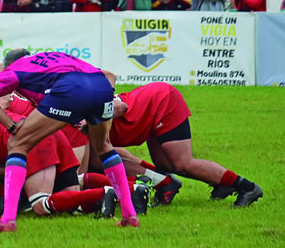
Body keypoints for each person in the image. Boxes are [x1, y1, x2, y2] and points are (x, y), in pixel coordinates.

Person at [0, 49, 139, 231]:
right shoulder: (53, 56)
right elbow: (110, 75)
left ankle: (7, 220)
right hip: (102, 87)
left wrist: (10, 125)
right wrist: (91, 113)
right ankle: (129, 215)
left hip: (68, 90)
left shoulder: (15, 69)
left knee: (17, 143)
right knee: (104, 146)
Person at [0, 114, 125, 220]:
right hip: (50, 133)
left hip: (34, 141)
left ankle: (103, 193)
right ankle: (132, 188)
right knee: (70, 204)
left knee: (39, 204)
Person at [110, 83, 263, 207]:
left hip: (163, 102)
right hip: (149, 110)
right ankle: (219, 182)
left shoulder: (89, 111)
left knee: (182, 163)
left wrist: (105, 109)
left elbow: (119, 103)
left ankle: (248, 187)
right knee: (163, 163)